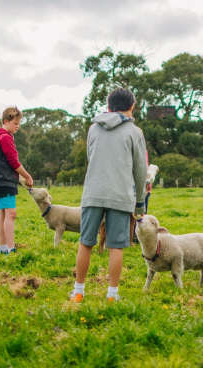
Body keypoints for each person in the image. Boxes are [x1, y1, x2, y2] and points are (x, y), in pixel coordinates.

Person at [71, 88, 147, 302]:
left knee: (86, 243)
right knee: (116, 246)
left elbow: (90, 157)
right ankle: (112, 294)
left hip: (93, 193)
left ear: (108, 106)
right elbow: (141, 170)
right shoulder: (135, 132)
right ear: (132, 107)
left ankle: (78, 291)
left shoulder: (93, 129)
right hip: (120, 195)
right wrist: (139, 202)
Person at [0, 107, 33, 254]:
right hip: (5, 180)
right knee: (11, 213)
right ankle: (10, 247)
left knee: (3, 213)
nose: (17, 126)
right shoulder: (5, 137)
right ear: (6, 121)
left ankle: (3, 248)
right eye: (15, 123)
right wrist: (27, 176)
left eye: (18, 123)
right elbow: (14, 162)